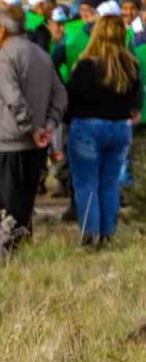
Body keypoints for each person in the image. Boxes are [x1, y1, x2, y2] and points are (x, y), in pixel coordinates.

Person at [0, 5, 67, 244]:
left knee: (5, 209)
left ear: (1, 29)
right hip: (35, 146)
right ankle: (22, 255)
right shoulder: (41, 54)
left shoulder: (5, 57)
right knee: (24, 208)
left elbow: (14, 99)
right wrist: (48, 125)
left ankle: (6, 258)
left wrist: (34, 128)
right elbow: (60, 95)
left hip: (9, 144)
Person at [66, 11, 141, 246]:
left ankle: (90, 235)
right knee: (109, 183)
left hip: (88, 126)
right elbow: (135, 102)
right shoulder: (131, 66)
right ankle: (107, 234)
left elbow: (71, 98)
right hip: (120, 128)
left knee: (86, 182)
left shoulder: (86, 65)